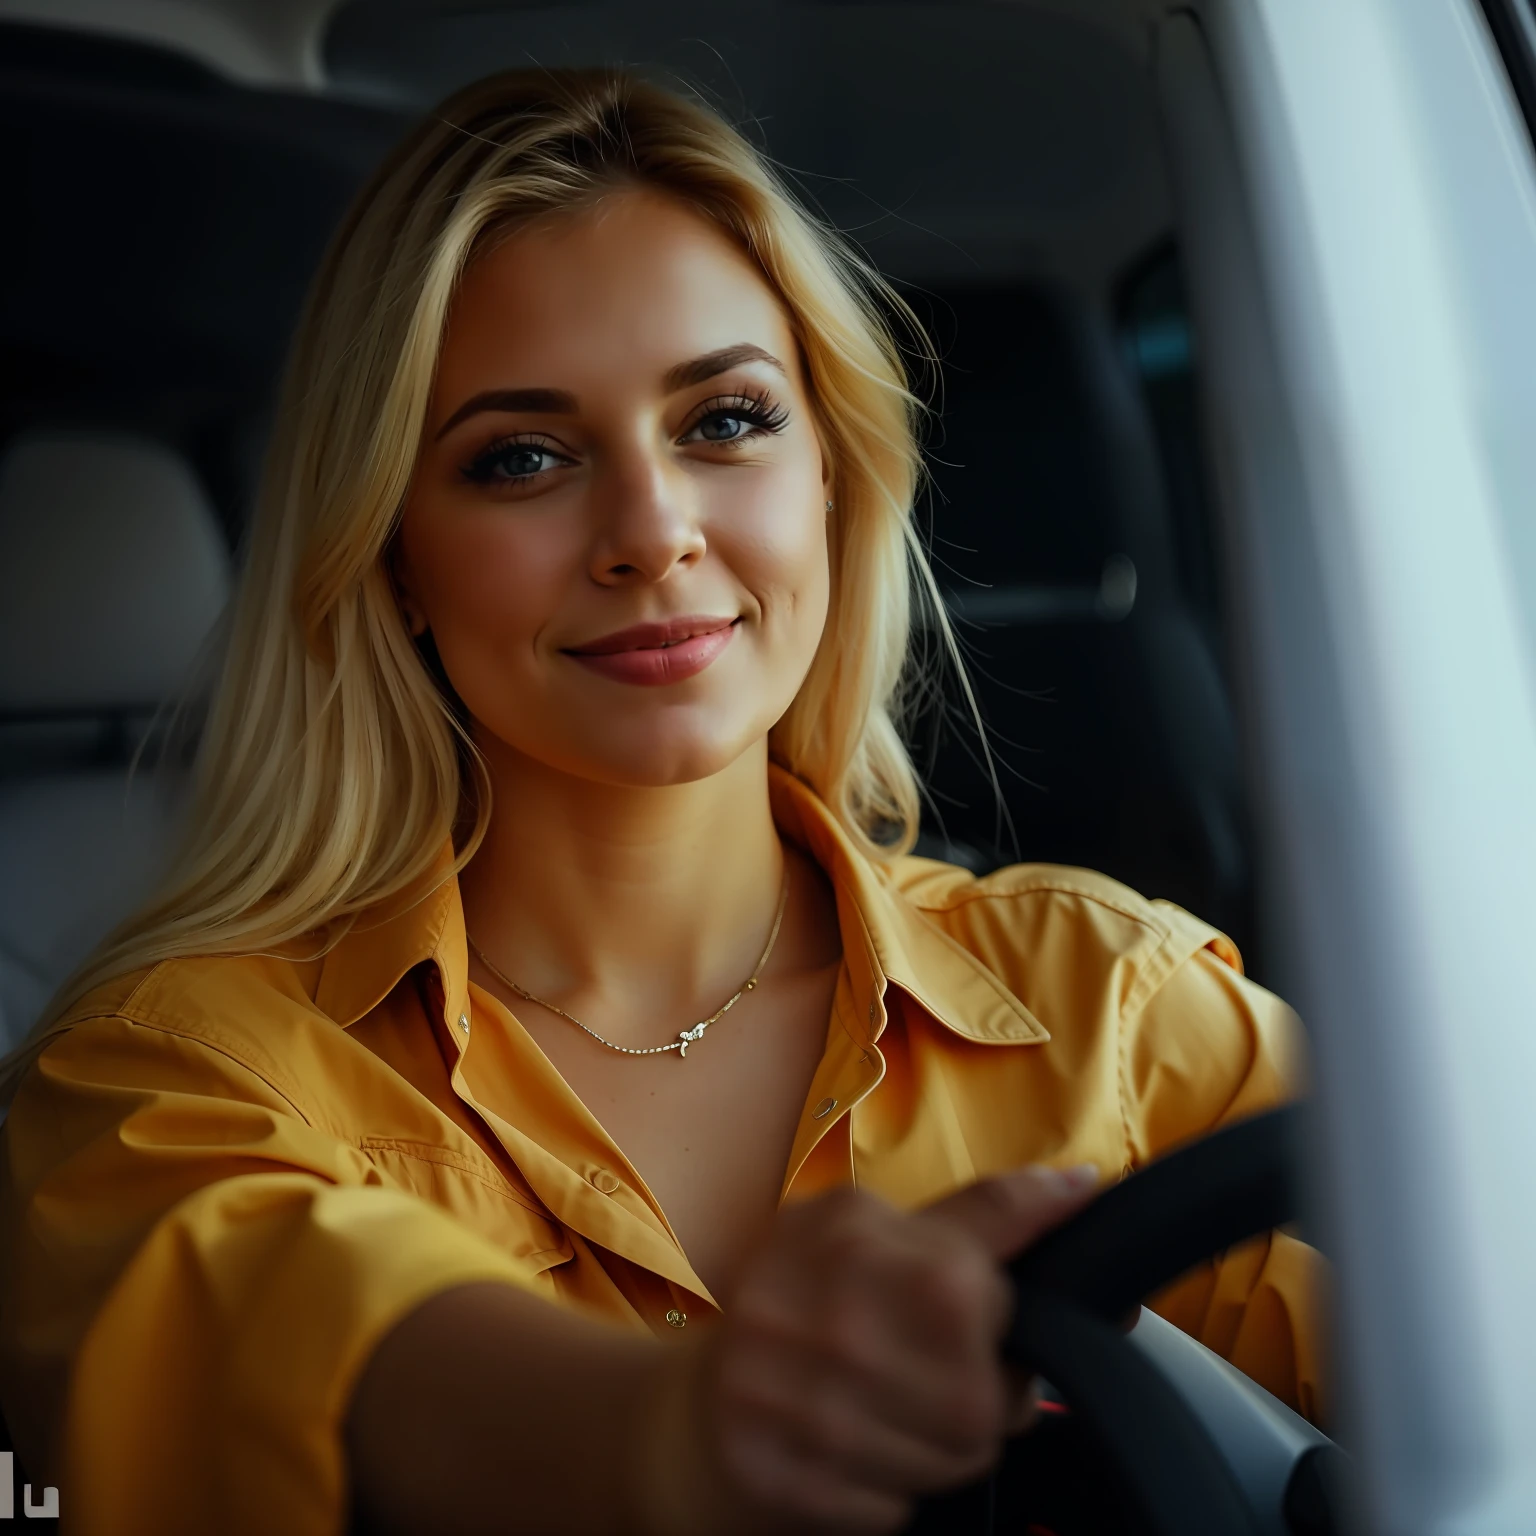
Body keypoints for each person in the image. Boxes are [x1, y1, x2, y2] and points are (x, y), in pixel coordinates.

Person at [0, 70, 1320, 1536]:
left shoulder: (1120, 1011)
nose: (649, 533)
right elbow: (272, 1315)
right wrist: (670, 1431)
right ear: (393, 562)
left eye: (726, 418)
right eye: (523, 457)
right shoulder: (166, 1081)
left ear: (831, 476)